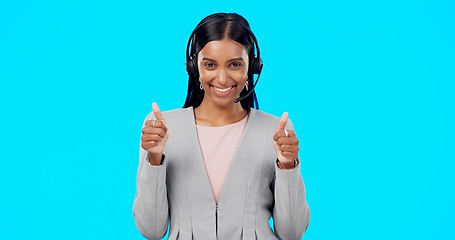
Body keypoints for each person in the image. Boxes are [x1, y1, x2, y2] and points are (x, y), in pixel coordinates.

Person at [133, 13, 310, 240]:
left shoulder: (274, 130)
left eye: (235, 64)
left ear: (252, 68)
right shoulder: (162, 128)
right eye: (210, 64)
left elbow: (292, 233)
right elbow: (151, 230)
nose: (223, 78)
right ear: (194, 66)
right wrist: (154, 159)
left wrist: (287, 166)